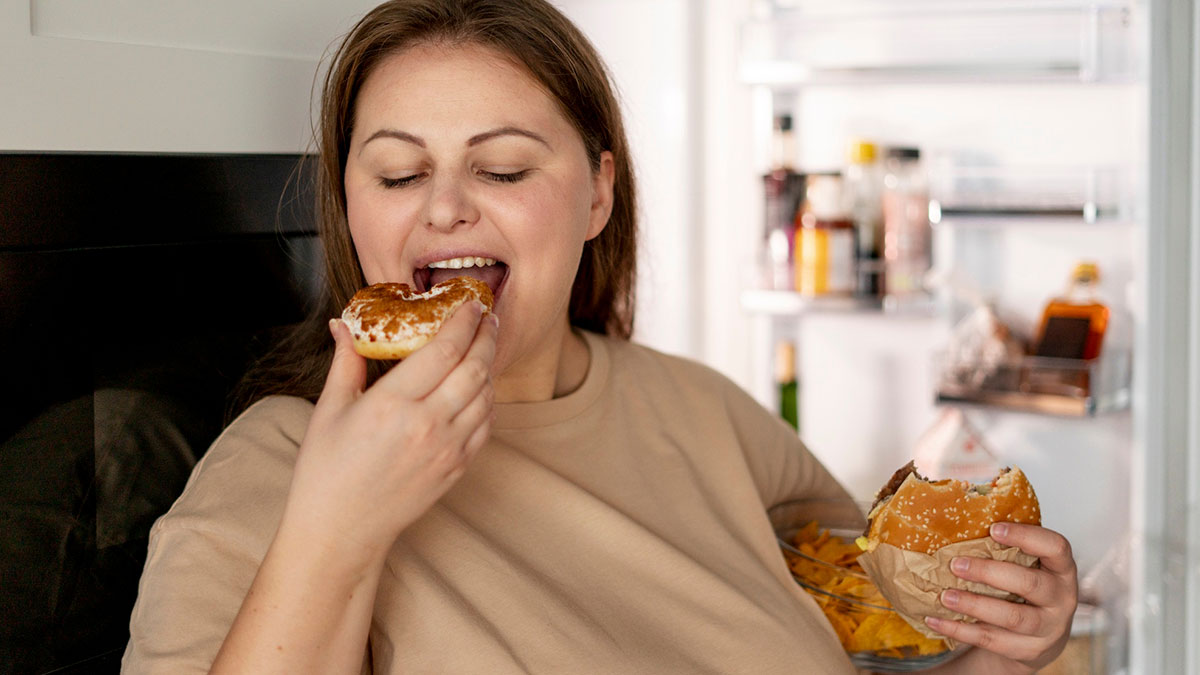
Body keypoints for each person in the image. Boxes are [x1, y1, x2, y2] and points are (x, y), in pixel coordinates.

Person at [123, 1, 1079, 673]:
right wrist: (338, 530)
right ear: (350, 209)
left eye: (501, 170)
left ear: (598, 194)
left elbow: (870, 641)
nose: (446, 208)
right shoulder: (280, 467)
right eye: (399, 173)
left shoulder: (703, 414)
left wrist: (1002, 651)